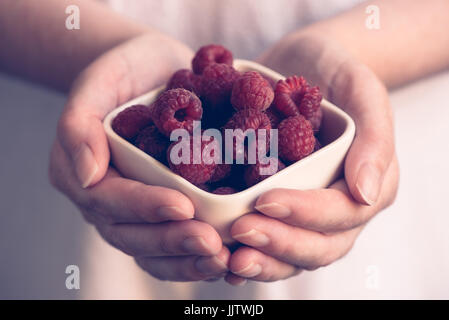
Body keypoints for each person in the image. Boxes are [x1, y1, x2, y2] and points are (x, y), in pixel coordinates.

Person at [0, 0, 448, 297]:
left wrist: (353, 50)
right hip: (65, 145)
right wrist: (98, 48)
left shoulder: (275, 120)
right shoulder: (192, 120)